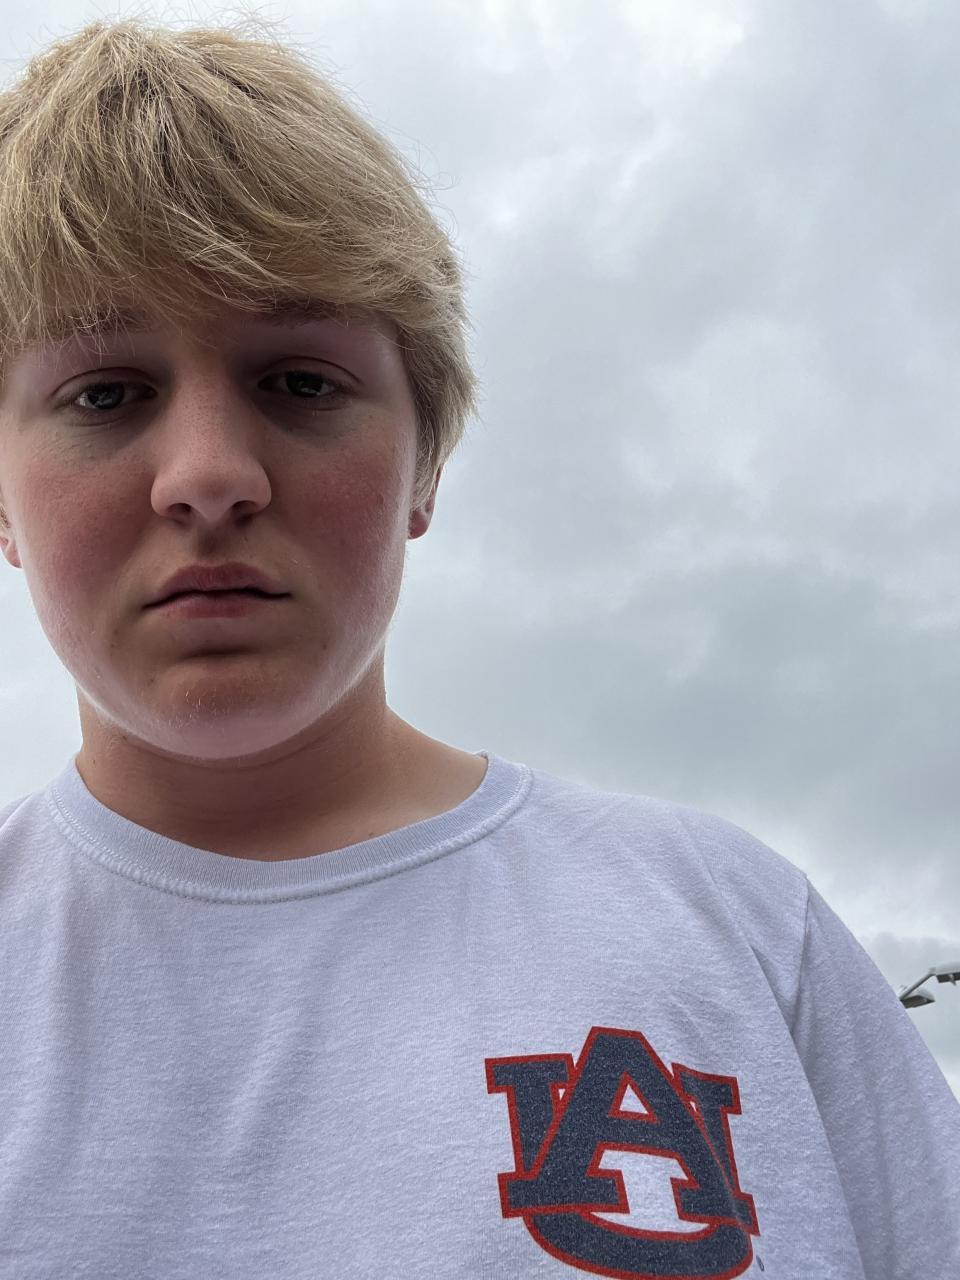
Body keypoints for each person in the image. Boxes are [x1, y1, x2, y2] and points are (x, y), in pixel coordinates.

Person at [0, 17, 955, 1280]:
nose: (210, 474)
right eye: (107, 393)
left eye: (300, 381)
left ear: (424, 468)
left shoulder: (737, 926)